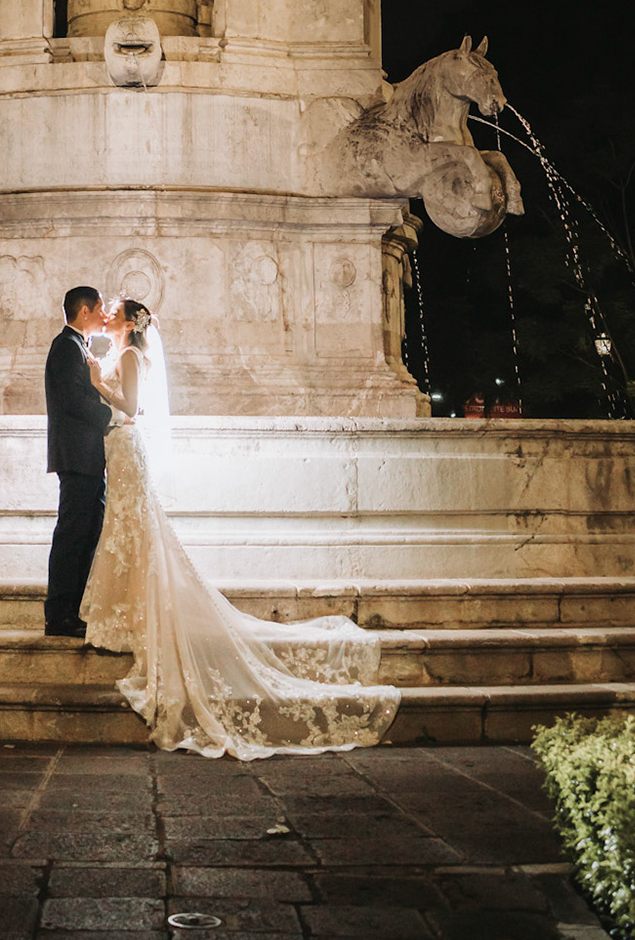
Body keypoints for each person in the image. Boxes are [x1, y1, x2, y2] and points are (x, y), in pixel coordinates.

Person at [80, 298, 400, 759]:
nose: (106, 314)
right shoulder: (124, 353)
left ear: (131, 323)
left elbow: (130, 406)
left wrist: (98, 385)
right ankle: (128, 610)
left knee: (135, 532)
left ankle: (132, 612)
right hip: (123, 452)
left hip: (128, 447)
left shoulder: (129, 355)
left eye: (113, 310)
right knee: (130, 532)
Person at [43, 285, 112, 638]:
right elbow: (72, 401)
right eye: (100, 308)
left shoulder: (77, 346)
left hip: (86, 456)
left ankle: (73, 610)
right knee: (72, 534)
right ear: (85, 311)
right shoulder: (66, 347)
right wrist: (112, 416)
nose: (105, 315)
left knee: (87, 532)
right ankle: (59, 614)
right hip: (76, 456)